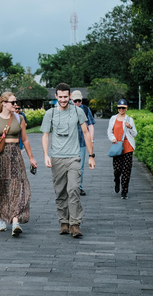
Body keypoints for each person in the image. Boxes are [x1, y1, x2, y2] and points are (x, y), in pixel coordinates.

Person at [0, 92, 37, 237]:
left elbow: (25, 139)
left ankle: (15, 221)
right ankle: (2, 217)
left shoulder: (19, 118)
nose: (15, 104)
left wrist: (31, 158)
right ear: (4, 103)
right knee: (1, 187)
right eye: (12, 102)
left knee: (18, 186)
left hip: (15, 155)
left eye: (16, 102)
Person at [40, 83, 95, 238]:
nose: (63, 100)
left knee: (73, 190)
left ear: (70, 96)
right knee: (60, 192)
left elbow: (85, 132)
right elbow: (45, 135)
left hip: (73, 157)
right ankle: (64, 222)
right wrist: (45, 155)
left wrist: (91, 156)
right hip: (57, 158)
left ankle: (75, 224)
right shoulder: (50, 114)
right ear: (56, 96)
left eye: (66, 97)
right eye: (60, 97)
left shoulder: (78, 111)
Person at [107, 99, 137, 200]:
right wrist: (113, 138)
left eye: (123, 108)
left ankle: (124, 191)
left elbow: (135, 134)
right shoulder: (113, 118)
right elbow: (109, 132)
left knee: (126, 171)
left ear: (126, 108)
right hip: (117, 147)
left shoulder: (129, 119)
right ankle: (117, 181)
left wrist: (130, 127)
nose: (121, 109)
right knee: (117, 170)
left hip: (128, 147)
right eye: (119, 107)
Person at [71, 90, 95, 196]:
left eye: (79, 101)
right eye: (75, 101)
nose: (77, 103)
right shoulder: (67, 109)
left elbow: (90, 126)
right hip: (69, 144)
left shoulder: (85, 109)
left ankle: (79, 187)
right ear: (71, 100)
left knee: (80, 167)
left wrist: (91, 141)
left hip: (82, 142)